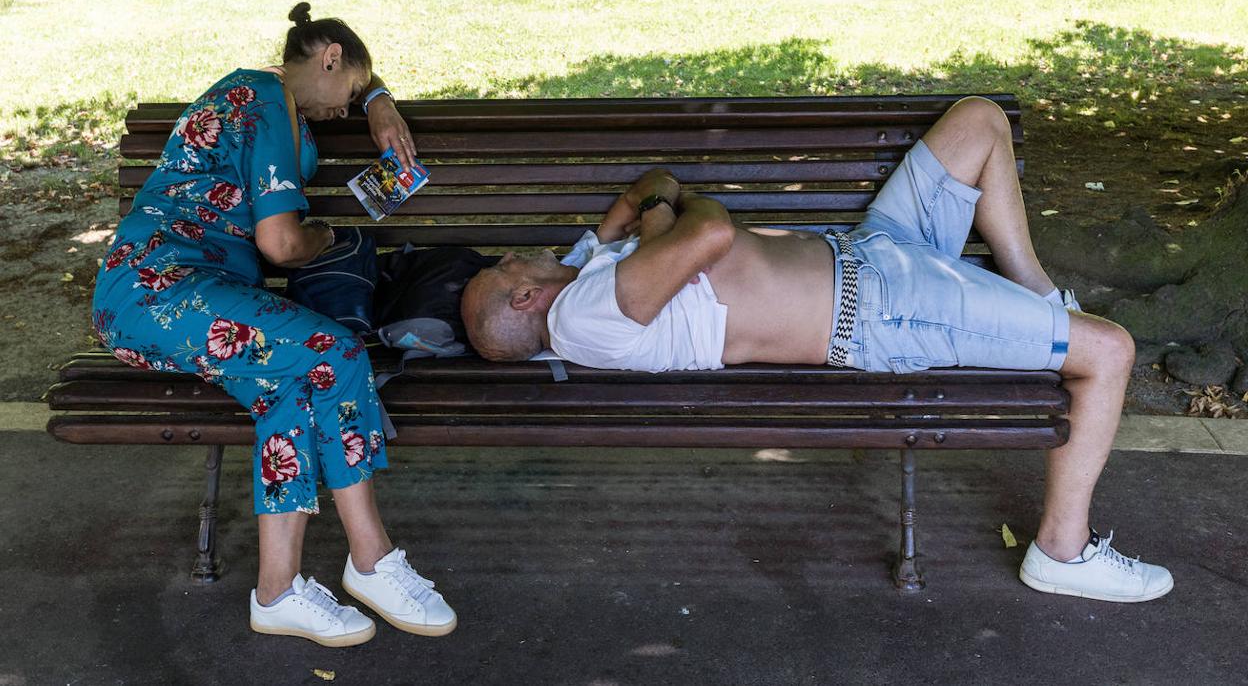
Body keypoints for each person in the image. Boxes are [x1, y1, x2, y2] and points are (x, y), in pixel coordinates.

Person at [461, 96, 1173, 603]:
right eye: (505, 265)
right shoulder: (582, 315)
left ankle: (1039, 299)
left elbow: (655, 188)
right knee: (1109, 351)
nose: (513, 254)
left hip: (871, 251)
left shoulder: (591, 277)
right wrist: (676, 211)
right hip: (885, 310)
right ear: (524, 299)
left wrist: (651, 212)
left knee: (979, 121)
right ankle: (1061, 550)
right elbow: (707, 227)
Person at [92, 3, 456, 646]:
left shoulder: (274, 99)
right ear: (328, 58)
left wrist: (377, 97)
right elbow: (283, 245)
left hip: (196, 295)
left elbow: (350, 82)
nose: (341, 111)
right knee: (337, 353)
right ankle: (372, 559)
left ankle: (278, 591)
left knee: (290, 386)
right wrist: (328, 235)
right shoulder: (262, 95)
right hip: (160, 288)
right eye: (345, 92)